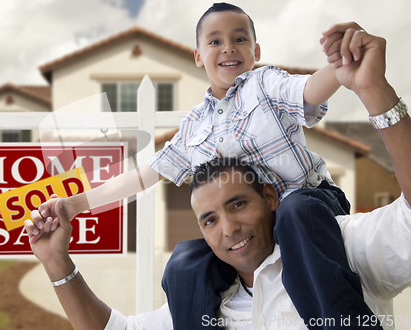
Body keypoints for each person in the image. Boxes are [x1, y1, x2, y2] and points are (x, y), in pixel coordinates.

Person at [25, 22, 411, 330]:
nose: (228, 48)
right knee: (183, 260)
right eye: (215, 41)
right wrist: (71, 212)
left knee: (297, 213)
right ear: (198, 56)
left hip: (309, 208)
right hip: (275, 220)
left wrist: (350, 74)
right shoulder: (195, 126)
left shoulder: (265, 85)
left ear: (256, 52)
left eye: (239, 39)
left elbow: (309, 89)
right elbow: (144, 175)